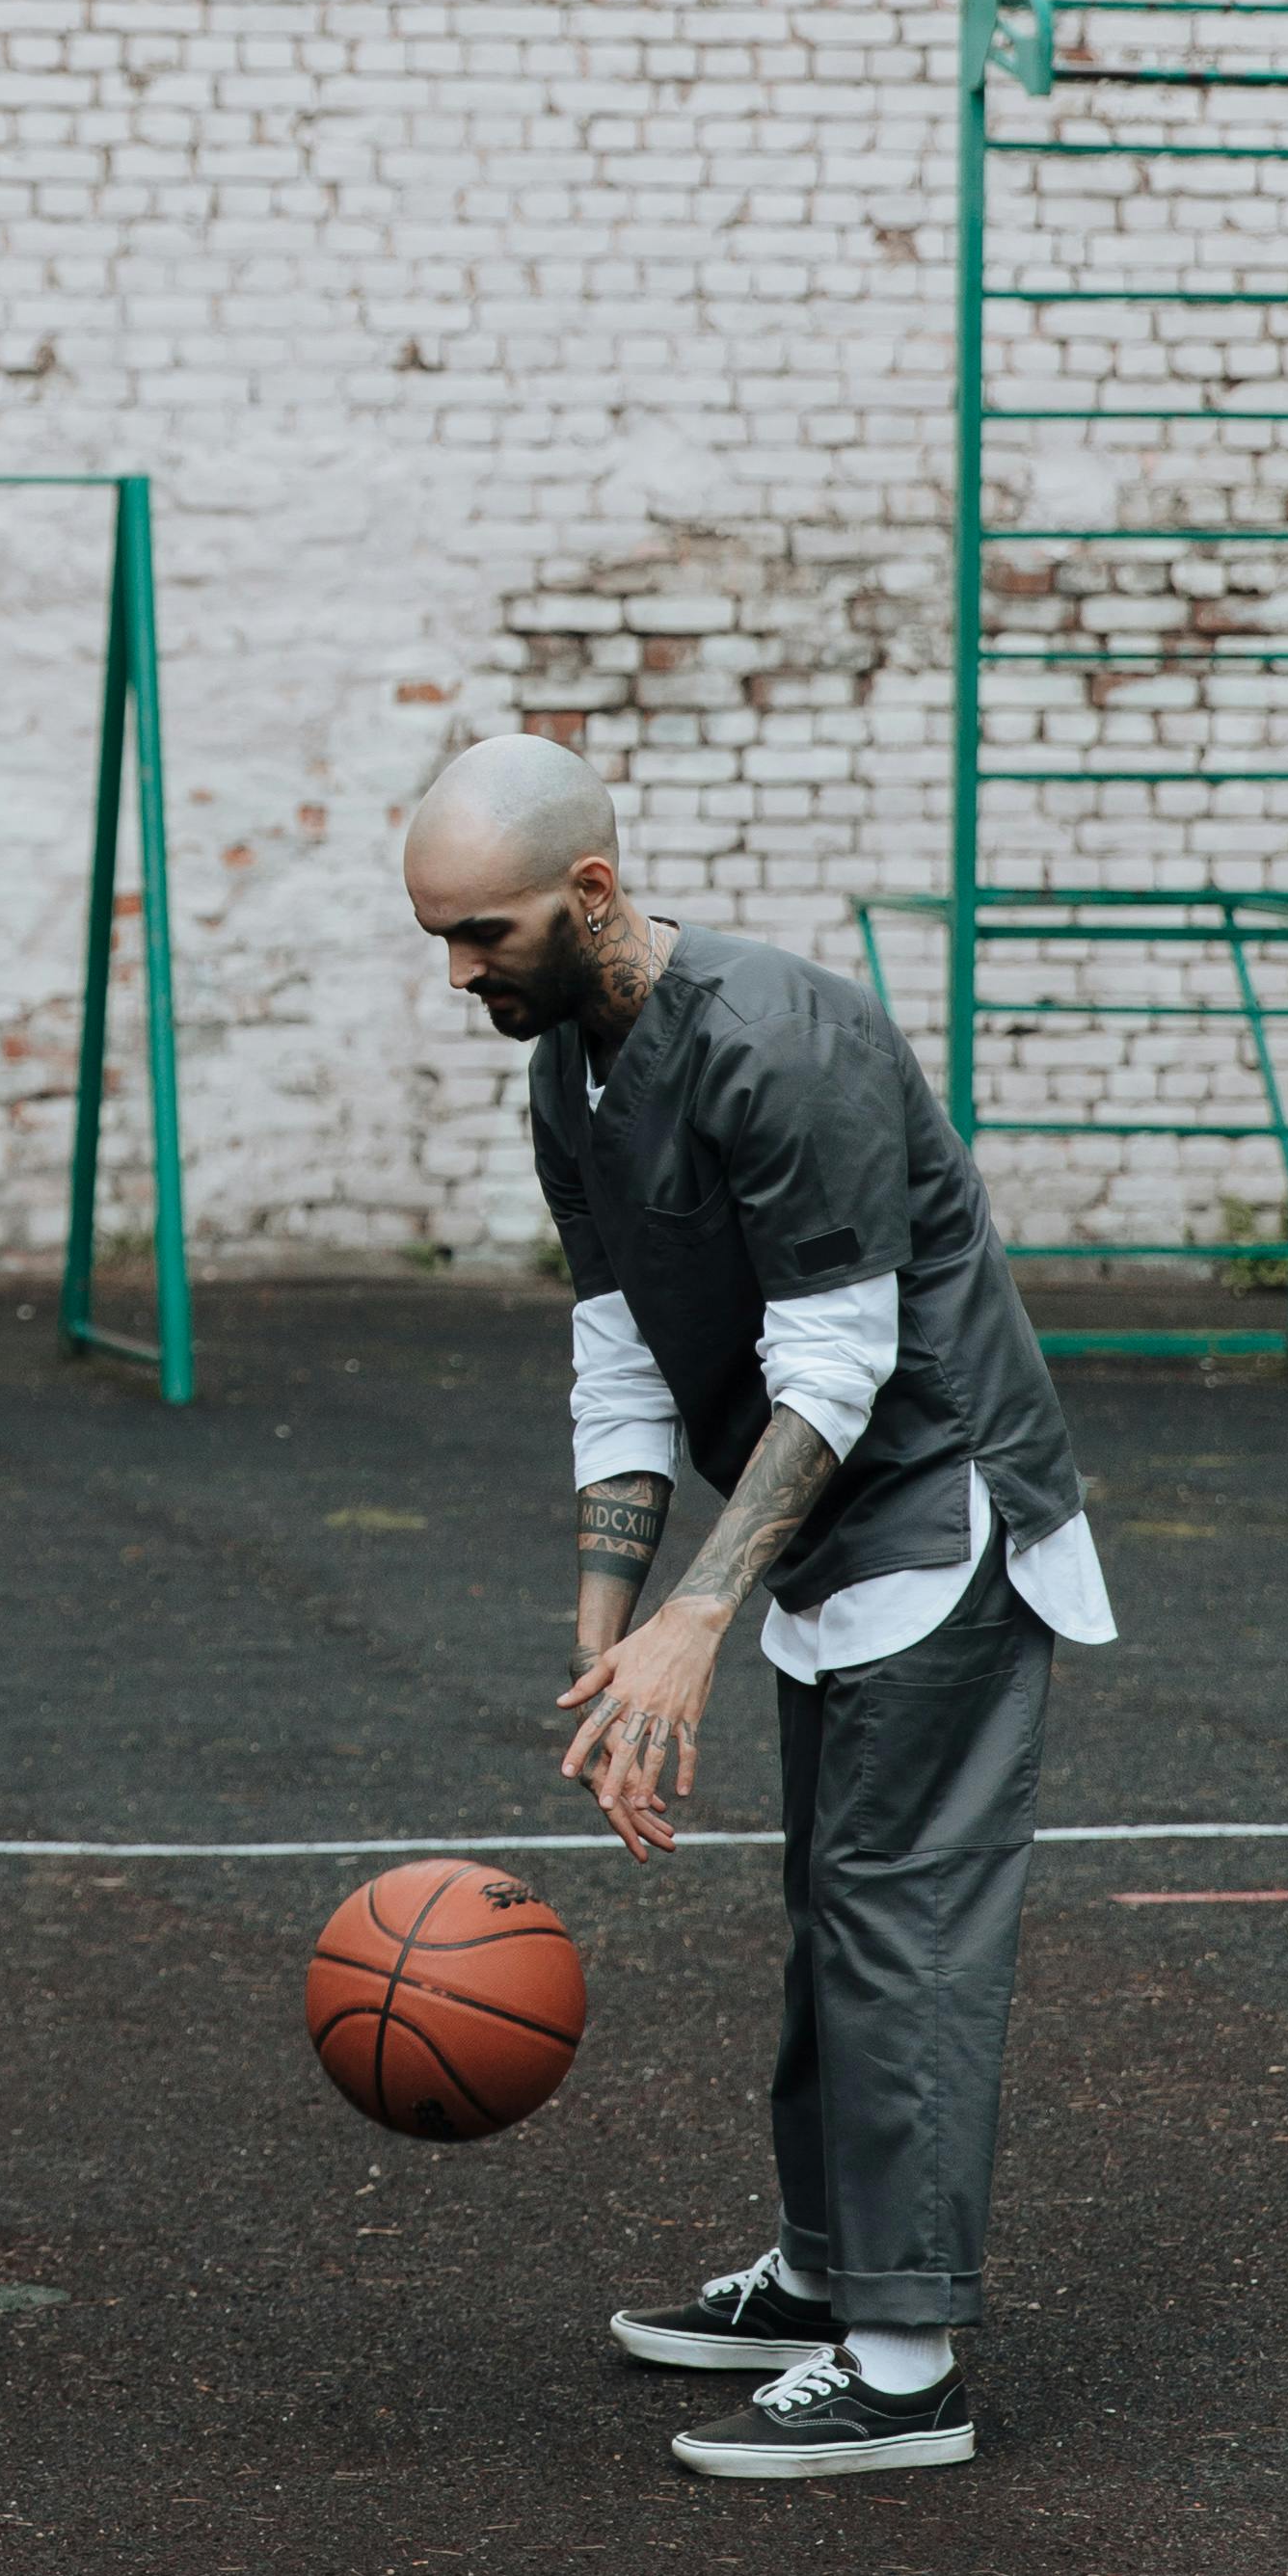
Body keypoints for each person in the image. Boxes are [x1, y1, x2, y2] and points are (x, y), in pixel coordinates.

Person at [402, 734, 1115, 2486]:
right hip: (820, 1536)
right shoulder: (568, 1073)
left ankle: (904, 2367)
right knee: (835, 1910)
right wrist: (609, 1615)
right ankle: (824, 2276)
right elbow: (622, 1350)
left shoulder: (777, 1040)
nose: (458, 974)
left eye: (481, 935)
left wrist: (698, 1623)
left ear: (590, 892)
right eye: (437, 939)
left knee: (897, 1924)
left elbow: (843, 1360)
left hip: (940, 1505)